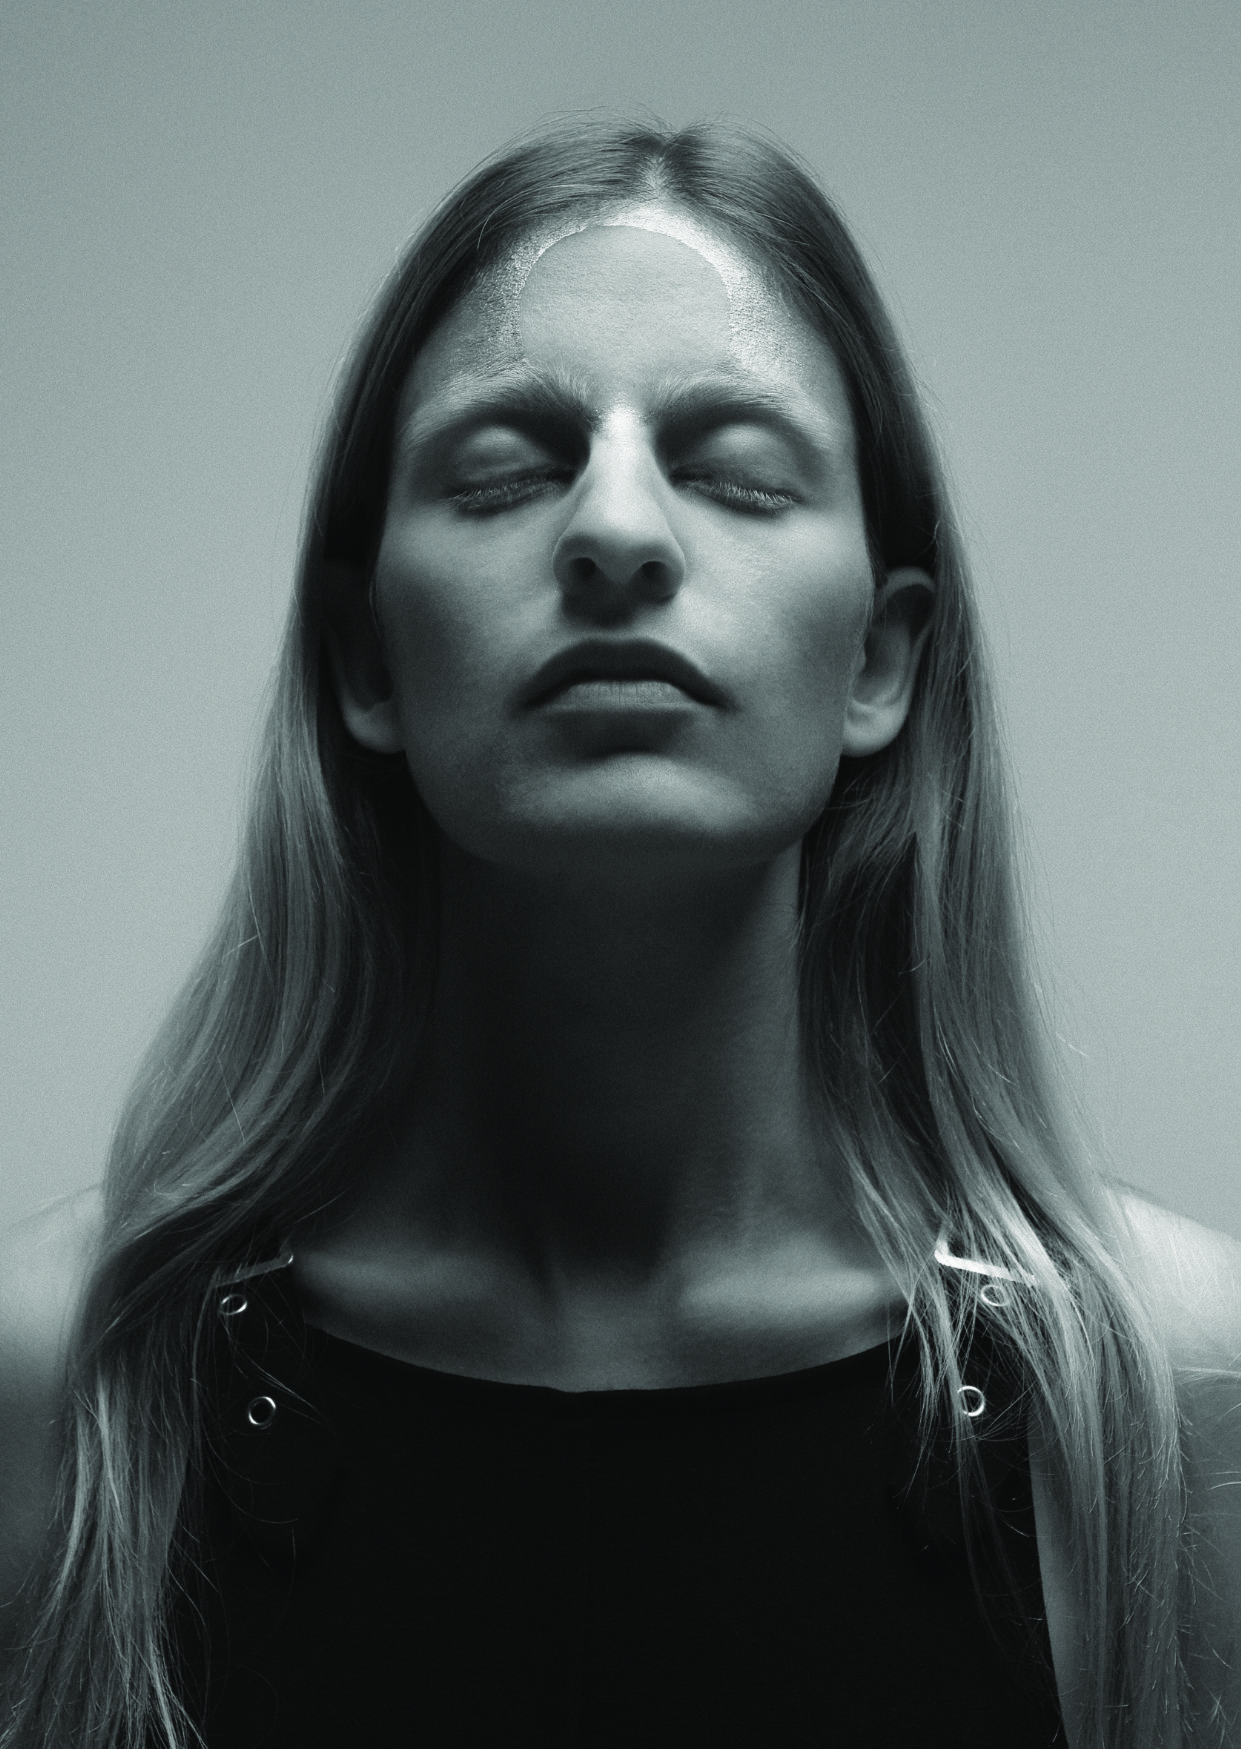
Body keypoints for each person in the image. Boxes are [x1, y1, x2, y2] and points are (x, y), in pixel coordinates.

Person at [1, 116, 1238, 1749]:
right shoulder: (65, 1383)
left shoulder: (1179, 1398)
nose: (619, 530)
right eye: (506, 472)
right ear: (366, 657)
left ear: (880, 661)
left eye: (738, 473)